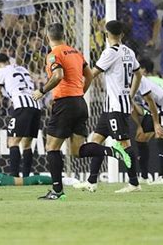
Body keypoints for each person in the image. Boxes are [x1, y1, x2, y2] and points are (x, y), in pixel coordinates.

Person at [32, 23, 131, 200]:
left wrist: (42, 91)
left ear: (48, 37)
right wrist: (79, 94)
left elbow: (58, 76)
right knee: (77, 151)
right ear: (64, 36)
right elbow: (90, 75)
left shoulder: (54, 54)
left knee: (51, 147)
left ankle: (57, 191)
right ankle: (112, 151)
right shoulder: (75, 53)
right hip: (80, 103)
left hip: (65, 104)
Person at [73, 20, 143, 193]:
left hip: (116, 107)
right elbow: (139, 74)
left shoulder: (109, 53)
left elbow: (92, 74)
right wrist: (131, 94)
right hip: (111, 106)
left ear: (106, 34)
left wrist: (78, 92)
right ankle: (91, 182)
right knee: (96, 140)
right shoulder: (129, 51)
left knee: (124, 144)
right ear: (122, 34)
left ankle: (134, 183)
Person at [0, 53, 41, 177]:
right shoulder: (23, 69)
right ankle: (26, 177)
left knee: (13, 141)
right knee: (27, 144)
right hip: (35, 106)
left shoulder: (1, 71)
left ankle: (14, 176)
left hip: (21, 105)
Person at [130, 61, 163, 185]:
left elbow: (151, 101)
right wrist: (139, 126)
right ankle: (144, 177)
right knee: (140, 138)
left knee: (161, 134)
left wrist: (157, 124)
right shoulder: (125, 86)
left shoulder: (141, 81)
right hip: (153, 111)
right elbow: (138, 111)